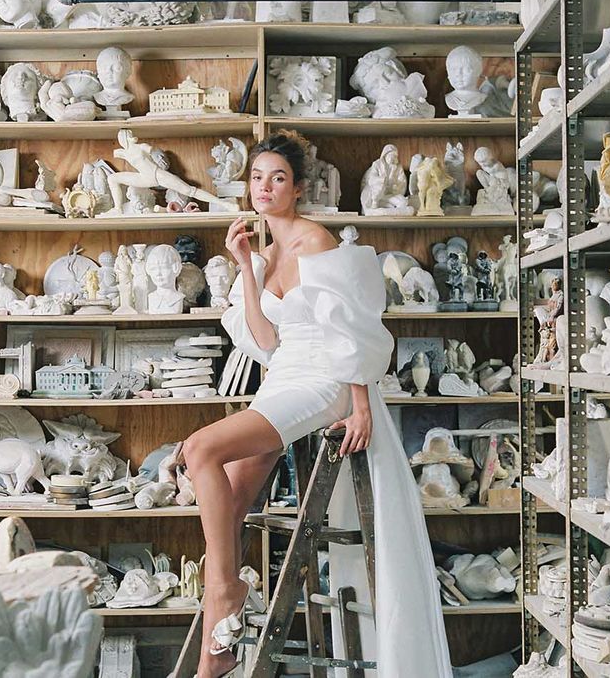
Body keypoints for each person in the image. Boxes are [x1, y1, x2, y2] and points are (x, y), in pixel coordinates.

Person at [179, 130, 452, 678]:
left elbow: (351, 325)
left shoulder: (317, 241)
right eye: (256, 178)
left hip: (326, 378)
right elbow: (264, 341)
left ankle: (228, 590)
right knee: (228, 506)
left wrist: (361, 405)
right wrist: (244, 268)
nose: (265, 187)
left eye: (277, 178)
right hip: (283, 375)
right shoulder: (267, 252)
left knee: (199, 449)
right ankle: (216, 657)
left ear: (298, 187)